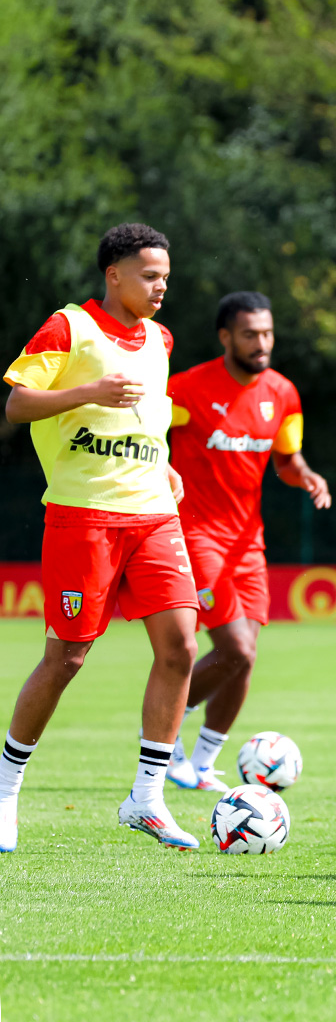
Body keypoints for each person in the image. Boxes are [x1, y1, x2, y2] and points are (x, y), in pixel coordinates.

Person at [0, 223, 199, 851]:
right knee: (67, 658)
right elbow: (16, 406)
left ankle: (147, 799)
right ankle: (4, 791)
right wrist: (90, 391)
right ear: (113, 275)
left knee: (180, 648)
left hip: (153, 515)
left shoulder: (161, 338)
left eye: (165, 275)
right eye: (149, 274)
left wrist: (161, 462)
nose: (161, 285)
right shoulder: (68, 328)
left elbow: (147, 418)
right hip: (83, 517)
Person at [163, 292, 330, 790]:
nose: (262, 343)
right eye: (250, 334)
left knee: (246, 655)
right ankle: (166, 726)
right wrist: (160, 466)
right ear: (225, 337)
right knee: (235, 647)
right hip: (197, 535)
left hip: (247, 544)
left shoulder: (283, 393)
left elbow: (285, 458)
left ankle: (200, 763)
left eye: (268, 333)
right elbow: (145, 433)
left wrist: (306, 475)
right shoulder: (188, 389)